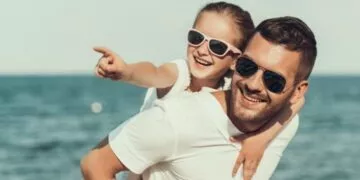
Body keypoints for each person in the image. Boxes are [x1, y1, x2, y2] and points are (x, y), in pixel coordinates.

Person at [81, 16, 317, 180]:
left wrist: (260, 139)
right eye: (247, 66)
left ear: (297, 91)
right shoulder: (178, 119)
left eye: (274, 81)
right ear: (236, 61)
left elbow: (294, 108)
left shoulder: (285, 122)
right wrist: (126, 71)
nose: (254, 84)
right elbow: (95, 164)